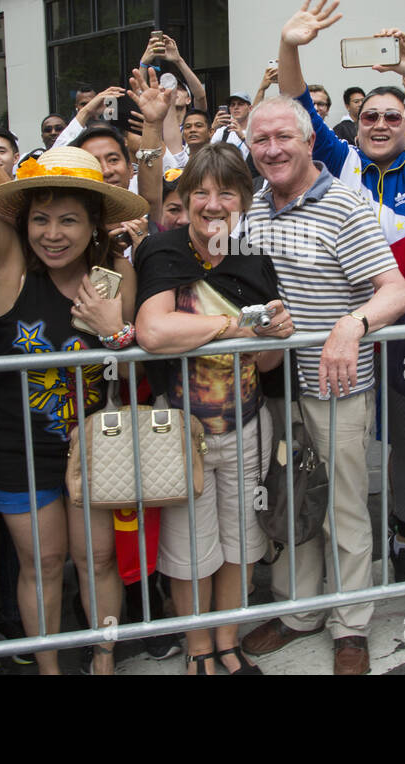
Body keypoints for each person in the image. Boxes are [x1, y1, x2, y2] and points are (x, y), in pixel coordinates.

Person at [0, 28, 154, 674]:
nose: (53, 233)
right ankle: (49, 670)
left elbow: (128, 351)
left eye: (69, 220)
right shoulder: (10, 263)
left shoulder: (115, 273)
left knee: (97, 561)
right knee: (41, 564)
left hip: (91, 446)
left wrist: (115, 329)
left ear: (94, 224)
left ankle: (104, 664)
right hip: (15, 446)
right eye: (42, 218)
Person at [274, 0, 405, 584]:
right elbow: (297, 105)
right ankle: (319, 585)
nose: (379, 124)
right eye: (369, 115)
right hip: (328, 345)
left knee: (403, 453)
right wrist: (290, 46)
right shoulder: (338, 160)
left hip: (396, 338)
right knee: (335, 471)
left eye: (391, 117)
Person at [238, 96, 405, 675]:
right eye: (260, 140)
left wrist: (351, 324)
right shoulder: (252, 208)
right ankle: (299, 612)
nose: (272, 150)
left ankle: (351, 623)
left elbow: (396, 291)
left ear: (310, 140)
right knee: (291, 505)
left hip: (337, 389)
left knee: (342, 510)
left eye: (283, 137)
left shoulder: (345, 203)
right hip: (274, 390)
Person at [135, 144, 295, 674]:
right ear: (184, 199)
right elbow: (154, 330)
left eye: (226, 191)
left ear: (244, 201)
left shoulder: (254, 263)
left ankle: (227, 643)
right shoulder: (162, 253)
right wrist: (234, 327)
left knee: (241, 546)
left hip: (247, 427)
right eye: (199, 191)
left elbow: (267, 362)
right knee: (189, 551)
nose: (212, 203)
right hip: (183, 432)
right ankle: (198, 649)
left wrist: (277, 333)